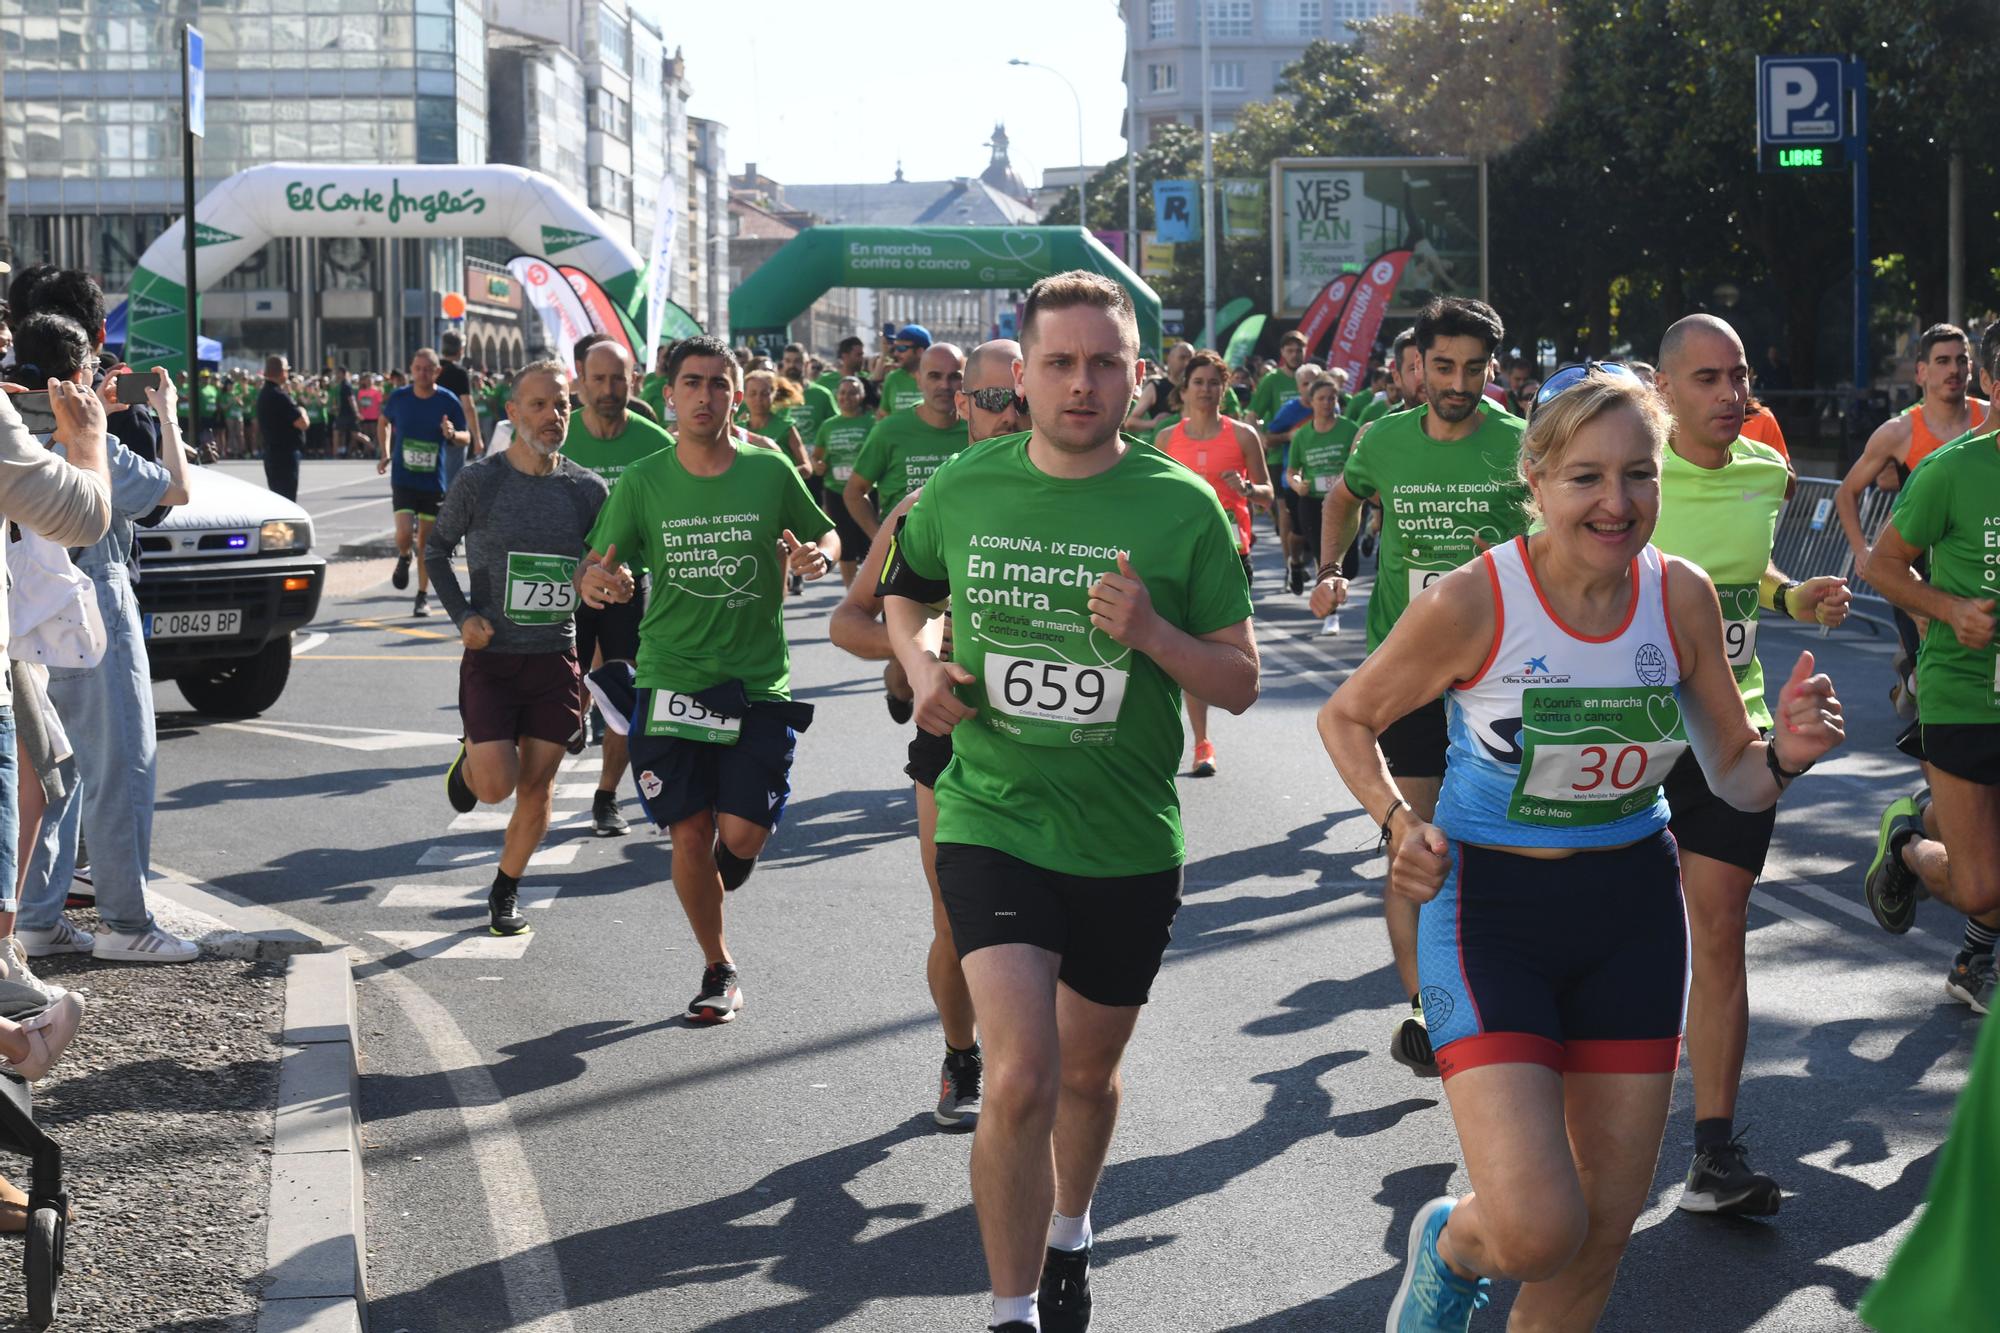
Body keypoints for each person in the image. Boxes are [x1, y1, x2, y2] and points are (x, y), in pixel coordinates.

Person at [1319, 368, 1844, 1333]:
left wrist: (1790, 755)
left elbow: (1735, 775)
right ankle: (1450, 1240)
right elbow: (1348, 717)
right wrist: (1400, 826)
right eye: (1585, 478)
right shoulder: (1478, 599)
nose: (1616, 502)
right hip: (1491, 916)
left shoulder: (1678, 596)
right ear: (1537, 478)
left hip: (1632, 915)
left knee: (1602, 1231)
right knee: (1531, 1229)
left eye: (1638, 475)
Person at [881, 272, 1257, 1333]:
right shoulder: (964, 487)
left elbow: (1236, 679)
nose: (1081, 382)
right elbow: (904, 592)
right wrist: (918, 666)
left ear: (1137, 376)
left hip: (1127, 836)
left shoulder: (1180, 508)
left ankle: (1070, 1227)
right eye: (1059, 362)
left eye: (1103, 362)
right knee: (1019, 1076)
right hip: (993, 813)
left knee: (1085, 1077)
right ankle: (1008, 1312)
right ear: (1021, 372)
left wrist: (1152, 635)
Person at [1646, 316, 1852, 1217]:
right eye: (1706, 379)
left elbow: (1745, 575)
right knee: (1627, 929)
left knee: (1720, 926)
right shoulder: (1630, 474)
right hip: (1627, 731)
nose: (1730, 394)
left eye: (1739, 375)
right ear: (1663, 391)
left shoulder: (1768, 470)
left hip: (1735, 727)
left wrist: (1791, 593)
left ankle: (1712, 1153)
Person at [576, 334, 837, 1024]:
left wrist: (818, 555)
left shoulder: (769, 468)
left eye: (719, 384)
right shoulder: (644, 479)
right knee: (688, 834)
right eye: (692, 382)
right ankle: (718, 966)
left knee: (743, 835)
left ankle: (728, 863)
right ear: (669, 394)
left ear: (735, 394)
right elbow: (592, 564)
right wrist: (601, 581)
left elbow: (824, 533)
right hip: (672, 676)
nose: (705, 395)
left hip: (755, 680)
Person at [1310, 297, 1528, 1077]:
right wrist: (1332, 569)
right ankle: (1424, 1007)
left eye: (1474, 369)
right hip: (1409, 670)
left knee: (1508, 844)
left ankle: (1507, 985)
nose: (1459, 383)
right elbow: (1341, 495)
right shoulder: (1385, 440)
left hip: (1507, 672)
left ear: (1490, 369)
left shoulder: (1519, 443)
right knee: (1418, 837)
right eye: (1444, 367)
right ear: (1418, 366)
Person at [828, 338, 1027, 1130]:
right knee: (957, 918)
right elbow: (850, 620)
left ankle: (1037, 1066)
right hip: (955, 739)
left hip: (1066, 744)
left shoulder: (1102, 500)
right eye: (985, 398)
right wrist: (917, 652)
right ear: (960, 410)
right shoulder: (929, 504)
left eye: (1018, 396)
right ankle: (961, 1052)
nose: (1003, 412)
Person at [10, 313, 197, 964]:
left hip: (21, 607)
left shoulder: (12, 429)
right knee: (121, 763)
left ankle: (35, 914)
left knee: (48, 767)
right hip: (92, 598)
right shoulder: (90, 439)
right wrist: (166, 416)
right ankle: (126, 920)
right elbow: (174, 488)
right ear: (83, 372)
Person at [429, 360, 613, 935]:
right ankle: (470, 764)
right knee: (495, 787)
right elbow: (435, 550)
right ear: (512, 413)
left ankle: (506, 888)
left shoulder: (587, 489)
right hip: (492, 656)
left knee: (538, 786)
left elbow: (600, 561)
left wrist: (609, 577)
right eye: (538, 405)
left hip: (556, 657)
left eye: (561, 405)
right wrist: (464, 617)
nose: (552, 416)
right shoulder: (480, 481)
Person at [1862, 387, 2000, 1012]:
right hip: (1964, 692)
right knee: (1980, 886)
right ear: (1995, 387)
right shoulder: (1950, 469)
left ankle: (1972, 964)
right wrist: (1949, 610)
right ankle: (1905, 841)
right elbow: (1882, 564)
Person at [563, 341, 673, 838]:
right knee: (561, 697)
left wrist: (635, 568)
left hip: (628, 587)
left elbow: (667, 525)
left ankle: (606, 797)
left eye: (618, 380)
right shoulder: (558, 438)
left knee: (627, 701)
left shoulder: (654, 443)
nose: (608, 391)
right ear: (580, 382)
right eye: (598, 380)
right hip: (561, 586)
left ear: (635, 381)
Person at [1154, 349, 1271, 777]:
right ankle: (1201, 742)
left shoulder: (1242, 436)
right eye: (1198, 382)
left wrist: (1248, 489)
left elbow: (1268, 494)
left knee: (1226, 655)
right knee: (1184, 649)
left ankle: (1216, 712)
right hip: (1181, 557)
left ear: (1224, 388)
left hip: (1232, 553)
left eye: (1214, 382)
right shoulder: (1167, 439)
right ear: (1183, 390)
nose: (1206, 390)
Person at [1834, 323, 1985, 577]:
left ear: (1970, 368)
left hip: (1983, 568)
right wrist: (1863, 551)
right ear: (1921, 372)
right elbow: (1846, 492)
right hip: (1918, 578)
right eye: (1942, 361)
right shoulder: (1898, 433)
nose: (1953, 370)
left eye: (1961, 360)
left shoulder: (1991, 418)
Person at [378, 347, 472, 618]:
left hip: (433, 482)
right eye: (417, 369)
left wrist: (453, 434)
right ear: (411, 369)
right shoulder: (400, 398)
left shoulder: (448, 400)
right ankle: (403, 555)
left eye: (428, 369)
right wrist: (385, 453)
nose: (422, 374)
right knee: (405, 533)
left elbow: (465, 437)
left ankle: (421, 596)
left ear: (437, 372)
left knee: (427, 543)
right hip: (404, 478)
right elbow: (384, 421)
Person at [1286, 373, 1353, 636]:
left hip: (1344, 501)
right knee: (1322, 556)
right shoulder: (1302, 436)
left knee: (1352, 564)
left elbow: (1359, 463)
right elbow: (1292, 471)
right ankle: (1331, 615)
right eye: (1321, 398)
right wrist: (1297, 483)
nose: (1327, 403)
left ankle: (1329, 589)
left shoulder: (1349, 428)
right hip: (1312, 502)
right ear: (1311, 402)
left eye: (1332, 398)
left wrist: (1347, 477)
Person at [812, 376, 875, 586]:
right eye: (842, 393)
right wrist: (817, 464)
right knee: (845, 544)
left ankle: (870, 590)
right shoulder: (828, 426)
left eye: (852, 392)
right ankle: (851, 592)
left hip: (865, 491)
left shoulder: (872, 422)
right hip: (836, 490)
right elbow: (817, 456)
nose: (846, 397)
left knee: (869, 543)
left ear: (862, 395)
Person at [435, 330, 486, 489]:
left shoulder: (432, 369)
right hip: (454, 432)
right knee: (452, 484)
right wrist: (477, 438)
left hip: (431, 429)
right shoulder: (459, 373)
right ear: (460, 350)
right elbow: (468, 407)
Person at [256, 355, 307, 500]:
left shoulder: (266, 393)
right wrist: (302, 410)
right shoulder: (279, 395)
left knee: (279, 498)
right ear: (281, 372)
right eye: (286, 370)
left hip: (273, 453)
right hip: (284, 455)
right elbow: (302, 423)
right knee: (287, 498)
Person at [878, 325, 931, 416]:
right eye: (895, 348)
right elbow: (883, 415)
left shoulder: (937, 380)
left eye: (901, 348)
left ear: (920, 351)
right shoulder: (892, 379)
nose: (896, 353)